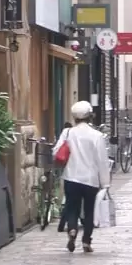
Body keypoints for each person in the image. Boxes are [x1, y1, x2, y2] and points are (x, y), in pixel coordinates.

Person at [53, 101, 110, 253]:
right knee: (90, 209)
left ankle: (72, 229)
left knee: (72, 206)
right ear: (90, 116)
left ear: (74, 117)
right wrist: (105, 182)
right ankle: (86, 241)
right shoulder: (97, 136)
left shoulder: (67, 133)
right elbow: (102, 161)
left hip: (71, 177)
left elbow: (56, 152)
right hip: (91, 179)